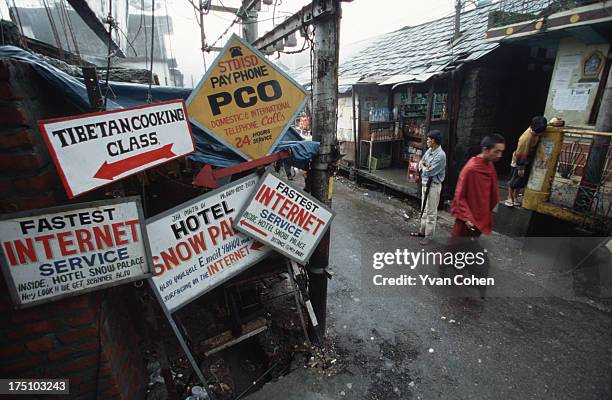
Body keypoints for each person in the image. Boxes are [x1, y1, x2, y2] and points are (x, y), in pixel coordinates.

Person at [451, 134, 505, 238]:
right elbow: (459, 195)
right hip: (468, 219)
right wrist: (467, 217)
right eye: (496, 151)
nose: (499, 155)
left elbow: (493, 193)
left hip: (481, 215)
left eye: (501, 152)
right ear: (485, 150)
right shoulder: (471, 168)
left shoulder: (489, 165)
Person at [411, 130, 446, 245]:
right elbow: (422, 162)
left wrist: (424, 167)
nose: (427, 141)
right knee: (424, 209)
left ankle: (429, 236)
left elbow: (430, 171)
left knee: (431, 212)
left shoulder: (441, 155)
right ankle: (422, 231)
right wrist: (425, 166)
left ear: (434, 141)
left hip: (434, 186)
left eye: (428, 139)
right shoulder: (430, 151)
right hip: (426, 183)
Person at [505, 116, 547, 207]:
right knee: (514, 180)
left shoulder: (536, 131)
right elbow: (520, 154)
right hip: (519, 161)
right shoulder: (525, 138)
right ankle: (509, 197)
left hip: (527, 160)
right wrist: (520, 168)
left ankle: (515, 197)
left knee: (520, 181)